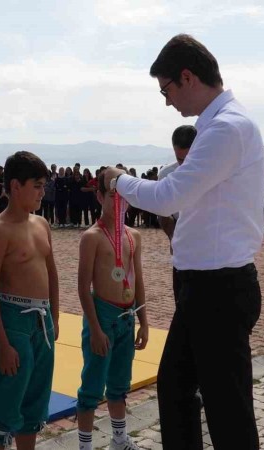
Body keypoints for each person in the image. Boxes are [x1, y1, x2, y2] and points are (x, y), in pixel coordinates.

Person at [104, 33, 264, 449]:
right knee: (176, 389)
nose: (167, 101)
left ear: (188, 77)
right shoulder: (218, 126)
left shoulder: (226, 128)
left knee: (226, 408)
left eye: (166, 90)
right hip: (205, 285)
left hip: (218, 288)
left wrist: (118, 180)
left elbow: (168, 197)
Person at [0, 151, 59, 449]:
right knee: (4, 407)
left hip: (42, 322)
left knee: (34, 407)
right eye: (36, 186)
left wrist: (55, 318)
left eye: (43, 186)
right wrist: (1, 343)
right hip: (13, 322)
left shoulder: (42, 224)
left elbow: (52, 273)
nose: (42, 192)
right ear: (15, 186)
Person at [77, 172, 148, 450]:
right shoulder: (92, 237)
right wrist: (95, 328)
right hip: (103, 317)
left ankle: (119, 439)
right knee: (92, 387)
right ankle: (85, 446)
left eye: (124, 196)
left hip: (126, 317)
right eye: (112, 195)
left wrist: (143, 320)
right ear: (99, 196)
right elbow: (83, 287)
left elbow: (137, 279)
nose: (119, 202)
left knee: (119, 385)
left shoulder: (133, 236)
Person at [157, 125, 196, 300]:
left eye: (187, 158)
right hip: (181, 242)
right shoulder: (166, 174)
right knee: (182, 298)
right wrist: (173, 236)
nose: (183, 164)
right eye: (179, 158)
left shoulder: (212, 170)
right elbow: (163, 212)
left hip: (208, 243)